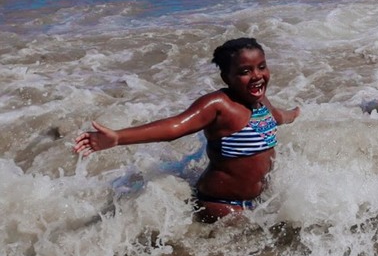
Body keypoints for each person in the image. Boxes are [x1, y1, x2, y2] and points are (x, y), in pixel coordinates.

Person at [73, 38, 300, 222]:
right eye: (245, 71)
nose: (257, 75)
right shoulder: (219, 105)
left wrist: (295, 114)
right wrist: (118, 137)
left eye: (261, 67)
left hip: (256, 200)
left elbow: (278, 116)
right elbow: (175, 127)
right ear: (226, 78)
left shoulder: (261, 103)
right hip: (221, 204)